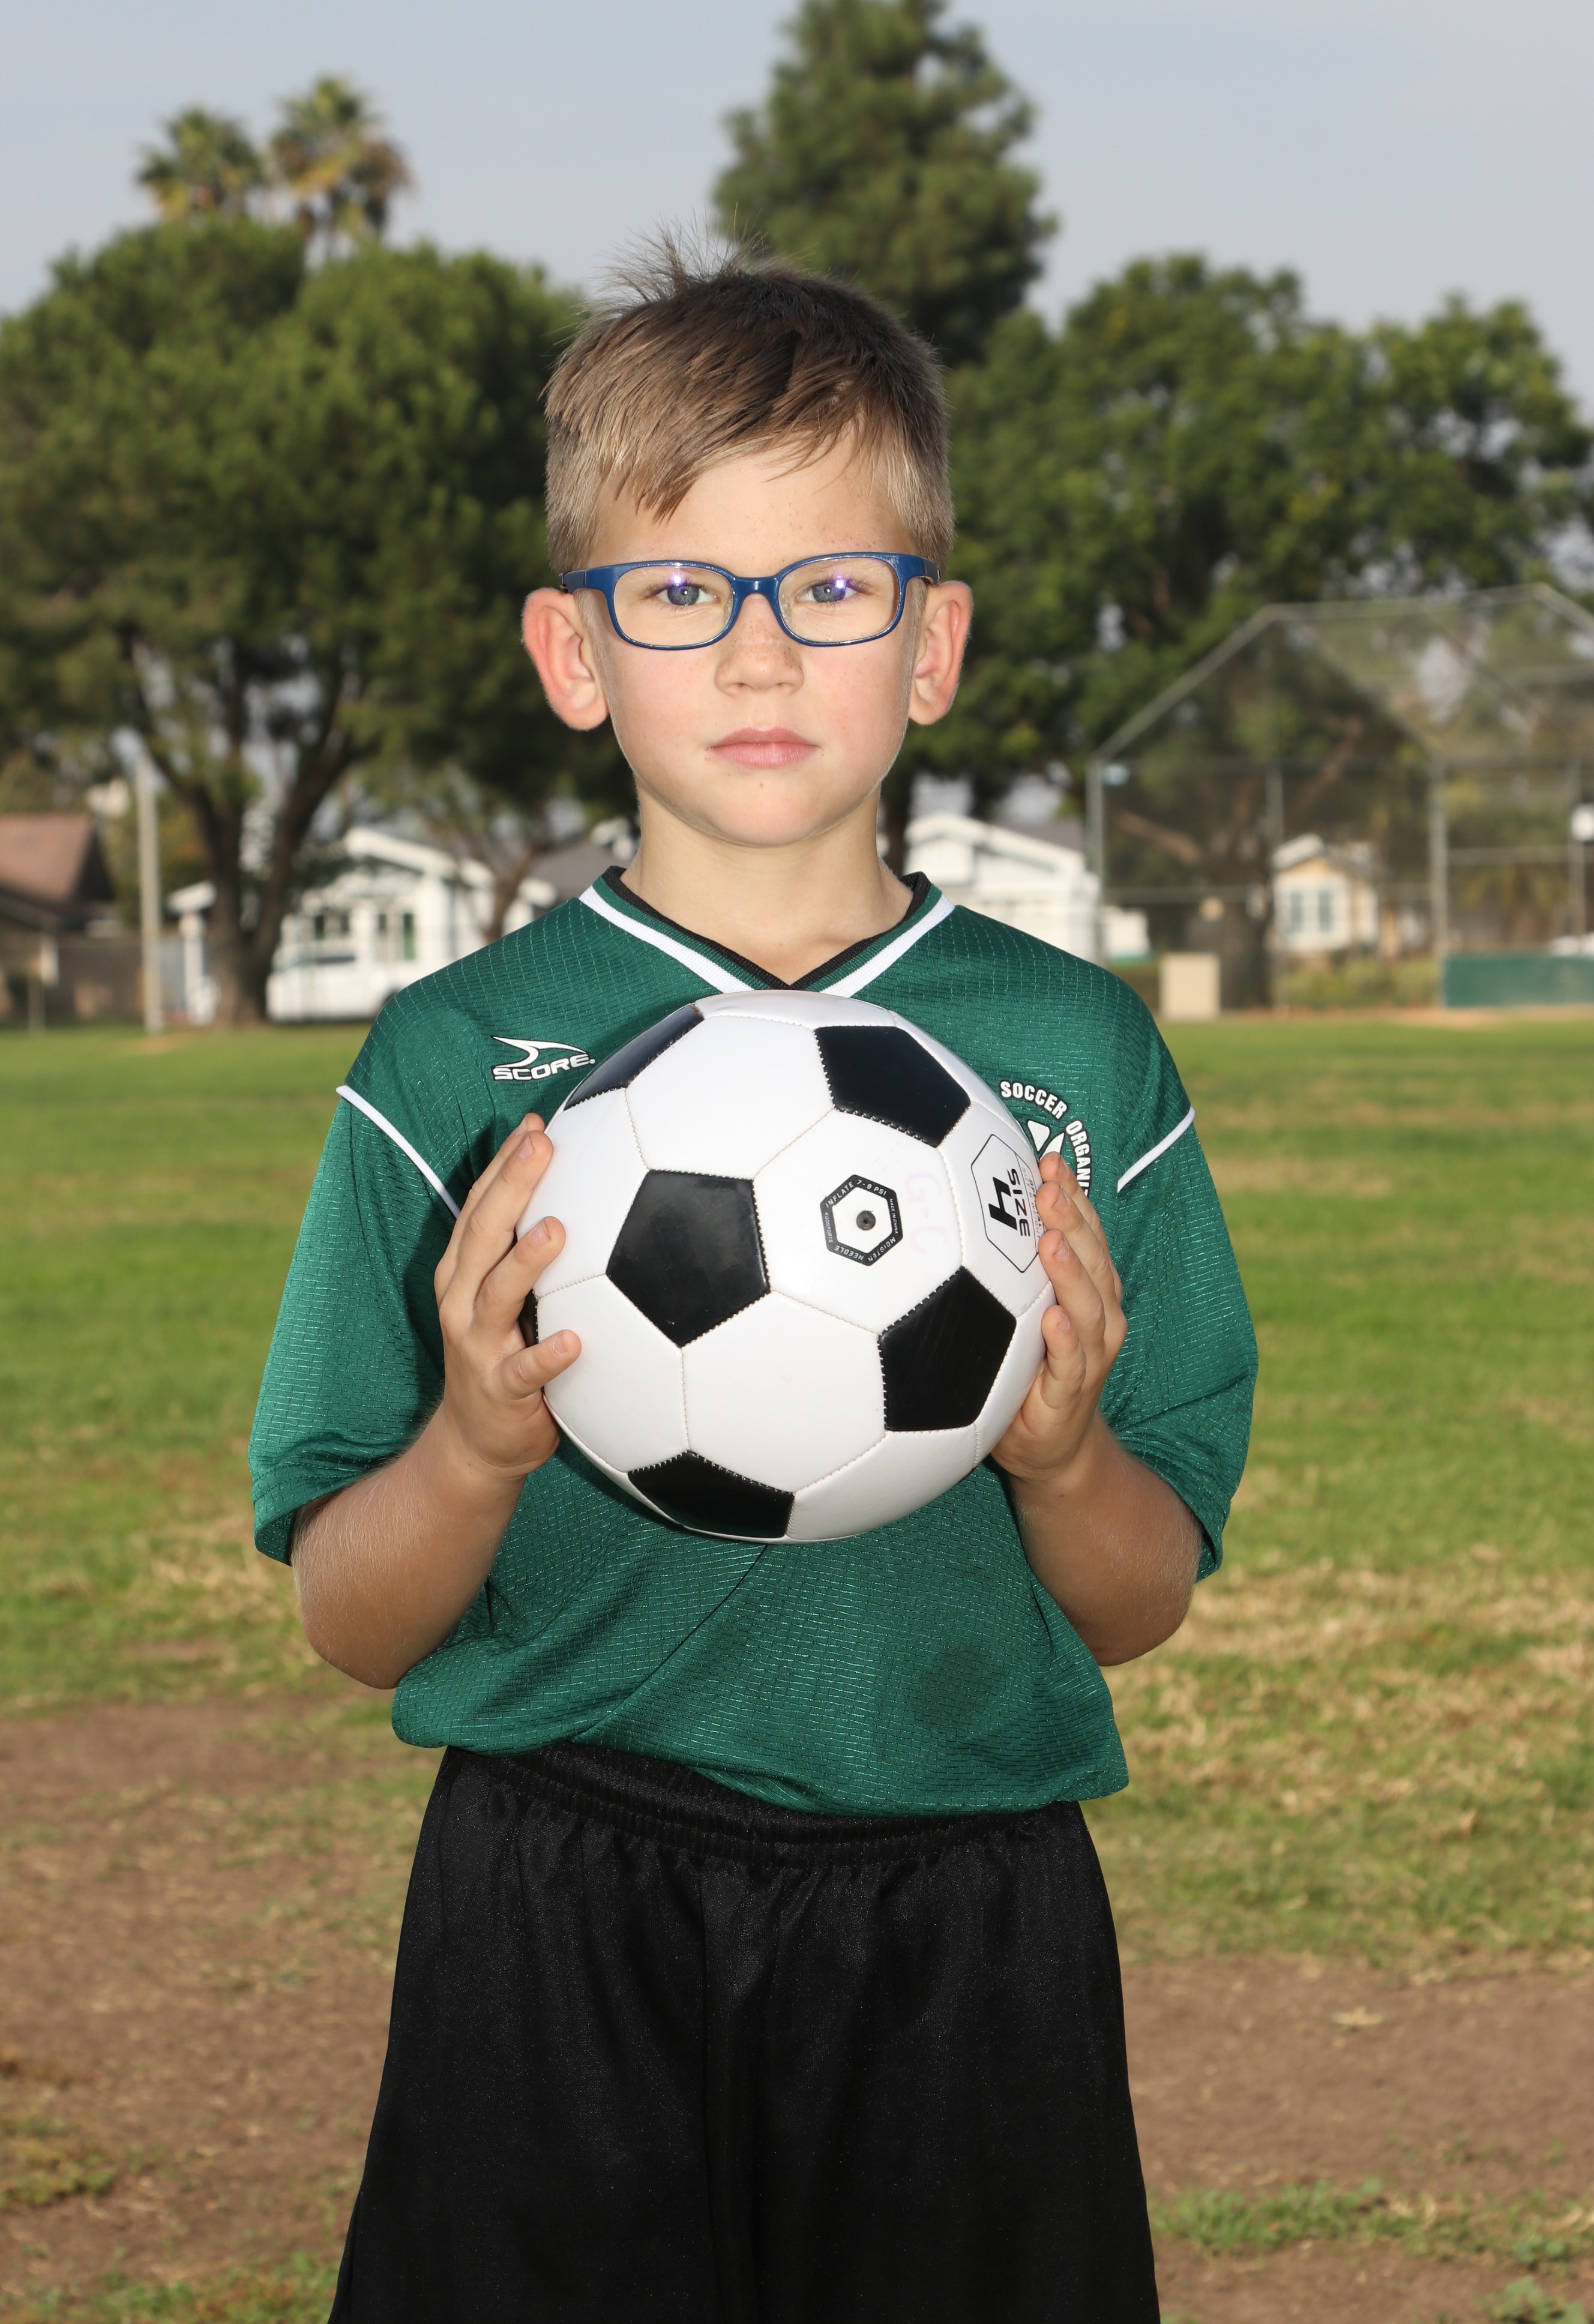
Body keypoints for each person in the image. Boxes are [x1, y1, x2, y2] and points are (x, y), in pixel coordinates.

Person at [249, 243, 1256, 2323]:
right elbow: (351, 1618)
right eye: (683, 592)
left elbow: (1142, 1601)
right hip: (556, 1892)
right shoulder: (453, 1063)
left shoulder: (1071, 1053)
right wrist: (472, 1447)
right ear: (575, 651)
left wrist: (1063, 1459)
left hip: (968, 1902)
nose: (762, 651)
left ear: (934, 644)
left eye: (834, 587)